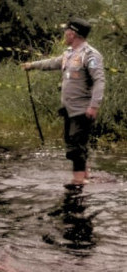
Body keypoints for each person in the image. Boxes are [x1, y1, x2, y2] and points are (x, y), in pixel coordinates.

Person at [22, 17, 105, 187]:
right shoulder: (69, 53)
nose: (64, 34)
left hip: (82, 109)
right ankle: (85, 175)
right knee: (74, 143)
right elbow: (53, 62)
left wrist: (94, 106)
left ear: (72, 33)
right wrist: (32, 65)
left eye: (66, 31)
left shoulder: (90, 55)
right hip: (69, 109)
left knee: (75, 146)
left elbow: (99, 81)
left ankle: (78, 181)